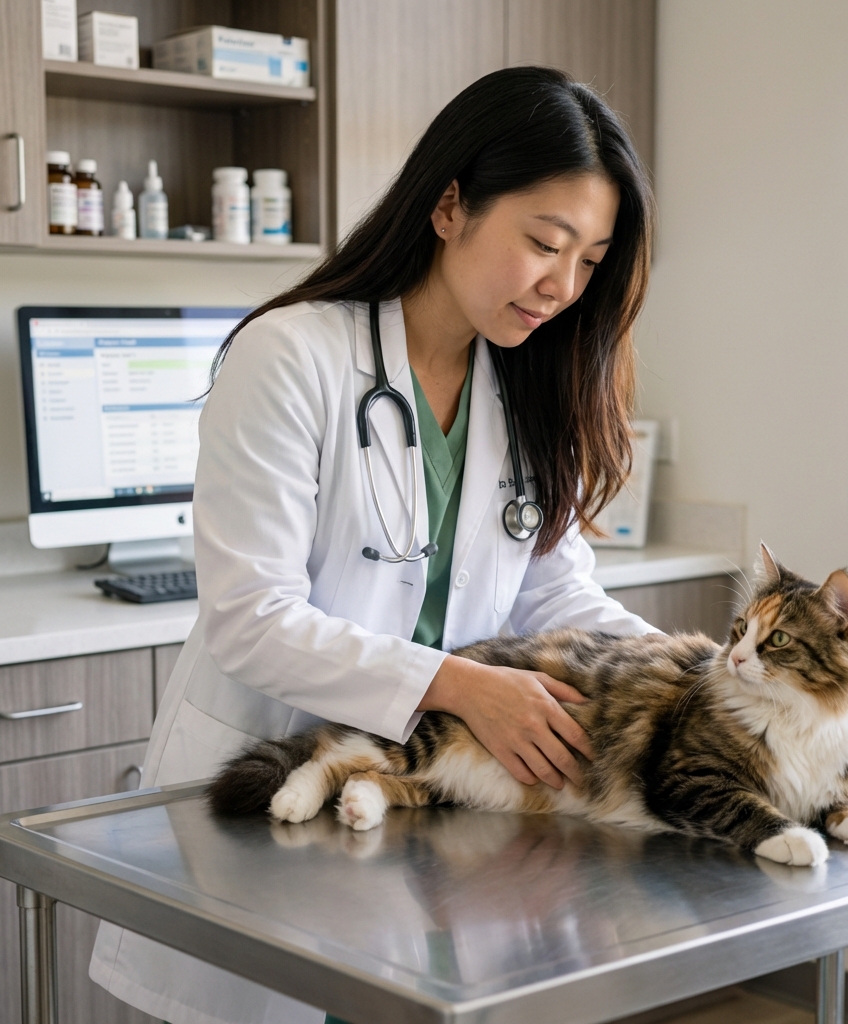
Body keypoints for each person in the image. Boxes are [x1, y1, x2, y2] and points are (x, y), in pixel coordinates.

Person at [90, 65, 657, 1024]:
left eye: (591, 262)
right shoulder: (293, 356)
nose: (562, 288)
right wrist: (463, 685)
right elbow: (251, 620)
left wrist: (691, 674)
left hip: (428, 804)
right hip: (275, 802)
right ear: (449, 207)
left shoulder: (524, 386)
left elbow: (556, 599)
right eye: (543, 243)